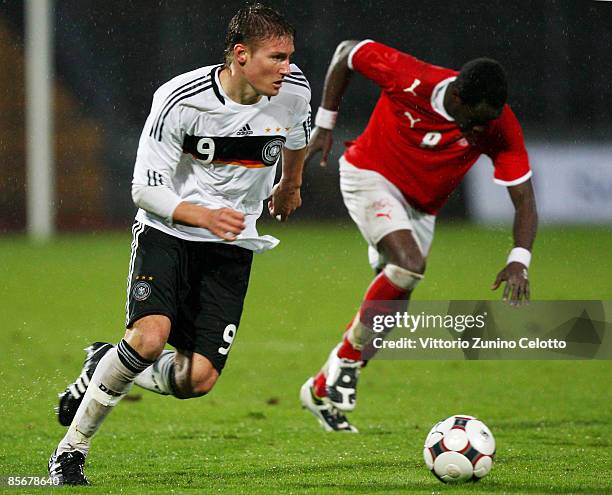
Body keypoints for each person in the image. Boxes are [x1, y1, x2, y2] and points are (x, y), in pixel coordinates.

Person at [48, 4, 311, 484]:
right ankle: (71, 450)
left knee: (197, 380)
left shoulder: (292, 91)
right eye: (276, 57)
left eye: (290, 55)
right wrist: (202, 214)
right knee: (149, 339)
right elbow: (144, 189)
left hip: (232, 244)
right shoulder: (181, 100)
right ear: (239, 55)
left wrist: (290, 184)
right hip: (168, 232)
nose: (287, 67)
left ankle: (102, 362)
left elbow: (297, 137)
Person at [300, 40, 537, 432]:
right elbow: (345, 52)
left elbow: (525, 199)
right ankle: (345, 360)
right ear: (457, 96)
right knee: (410, 265)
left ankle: (321, 389)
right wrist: (325, 123)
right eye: (475, 120)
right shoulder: (411, 77)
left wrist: (519, 259)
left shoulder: (498, 124)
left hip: (422, 209)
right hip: (370, 176)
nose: (481, 130)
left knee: (393, 307)